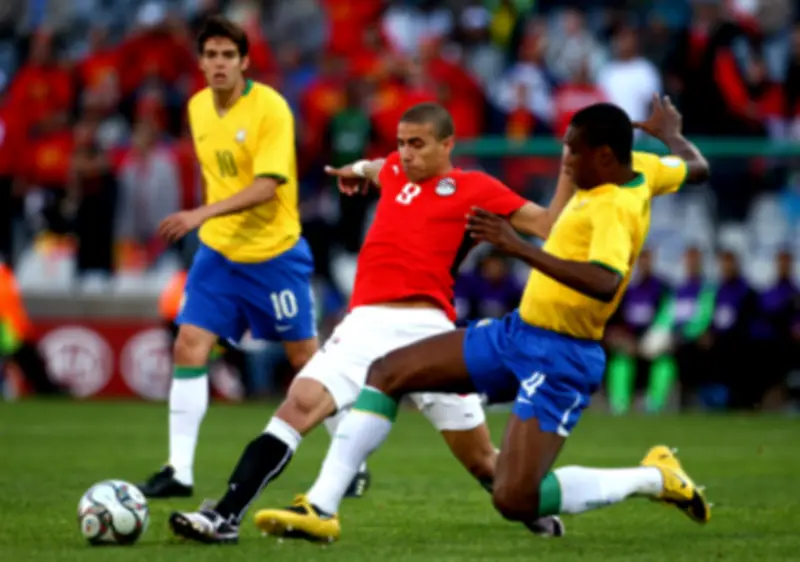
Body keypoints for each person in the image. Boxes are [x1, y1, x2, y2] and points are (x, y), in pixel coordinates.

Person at [256, 96, 713, 542]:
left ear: (606, 156)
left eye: (573, 151)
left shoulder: (613, 207)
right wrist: (673, 136)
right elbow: (696, 168)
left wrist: (517, 248)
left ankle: (654, 477)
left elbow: (604, 282)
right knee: (387, 371)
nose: (565, 159)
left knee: (514, 498)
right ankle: (321, 507)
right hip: (517, 333)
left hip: (563, 356)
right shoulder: (646, 168)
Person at [167, 101, 575, 543]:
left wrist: (568, 168)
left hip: (428, 332)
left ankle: (532, 505)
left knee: (482, 462)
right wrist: (355, 170)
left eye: (417, 144)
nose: (407, 153)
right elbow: (378, 166)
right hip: (362, 326)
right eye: (401, 143)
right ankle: (224, 516)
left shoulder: (475, 187)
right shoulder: (396, 170)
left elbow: (548, 224)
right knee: (298, 405)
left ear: (447, 145)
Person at [138, 16, 322, 498]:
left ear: (244, 62)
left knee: (305, 359)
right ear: (200, 63)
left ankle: (351, 458)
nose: (219, 64)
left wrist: (200, 213)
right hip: (219, 252)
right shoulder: (198, 107)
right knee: (188, 345)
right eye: (211, 55)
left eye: (228, 55)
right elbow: (219, 177)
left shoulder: (270, 109)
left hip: (273, 253)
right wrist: (209, 222)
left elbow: (266, 187)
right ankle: (179, 471)